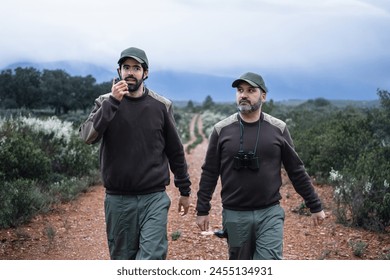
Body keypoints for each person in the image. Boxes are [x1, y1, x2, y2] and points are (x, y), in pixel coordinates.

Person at [196, 72, 325, 260]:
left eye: (251, 90)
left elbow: (296, 170)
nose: (243, 95)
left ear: (263, 96)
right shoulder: (221, 129)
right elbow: (210, 172)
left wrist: (315, 206)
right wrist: (202, 210)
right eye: (240, 90)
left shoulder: (278, 128)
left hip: (269, 213)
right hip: (235, 213)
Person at [79, 47, 191, 260]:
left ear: (145, 73)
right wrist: (113, 102)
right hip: (118, 199)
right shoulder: (104, 102)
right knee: (123, 261)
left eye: (136, 68)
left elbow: (175, 150)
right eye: (126, 67)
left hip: (154, 198)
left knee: (152, 258)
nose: (130, 72)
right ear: (119, 71)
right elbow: (87, 136)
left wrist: (184, 189)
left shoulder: (161, 105)